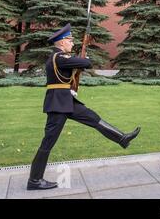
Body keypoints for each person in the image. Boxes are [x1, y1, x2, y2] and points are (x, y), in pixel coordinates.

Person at [27, 23, 141, 190]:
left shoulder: (60, 58)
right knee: (48, 142)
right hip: (58, 105)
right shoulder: (59, 57)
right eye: (70, 40)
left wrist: (81, 62)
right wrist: (84, 58)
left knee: (93, 118)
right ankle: (34, 180)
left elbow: (77, 66)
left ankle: (122, 138)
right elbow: (86, 63)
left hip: (66, 102)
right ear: (62, 42)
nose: (72, 43)